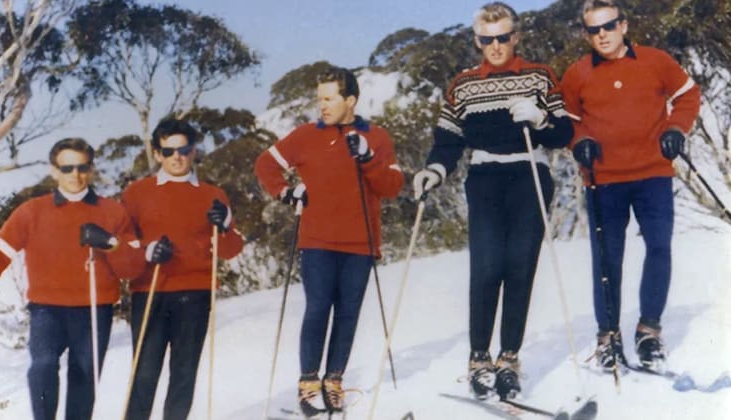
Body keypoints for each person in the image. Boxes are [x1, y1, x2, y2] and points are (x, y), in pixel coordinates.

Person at [412, 2, 573, 400]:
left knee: (520, 266)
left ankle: (509, 359)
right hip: (485, 176)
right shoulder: (463, 84)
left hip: (529, 173)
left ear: (515, 36)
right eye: (487, 40)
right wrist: (435, 170)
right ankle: (479, 359)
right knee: (486, 267)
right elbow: (448, 141)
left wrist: (540, 119)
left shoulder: (539, 76)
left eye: (503, 37)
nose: (496, 46)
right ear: (477, 41)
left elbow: (563, 133)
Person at [560, 0, 700, 374]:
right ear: (586, 34)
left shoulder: (655, 60)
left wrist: (675, 129)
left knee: (659, 247)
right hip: (603, 179)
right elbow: (567, 120)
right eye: (594, 30)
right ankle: (608, 337)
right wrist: (579, 140)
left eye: (608, 26)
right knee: (607, 259)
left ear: (623, 25)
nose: (602, 35)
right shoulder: (577, 74)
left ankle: (648, 331)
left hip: (653, 174)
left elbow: (688, 94)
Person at [254, 66, 403, 417]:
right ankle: (308, 383)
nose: (321, 105)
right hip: (317, 240)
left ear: (350, 99)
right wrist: (286, 192)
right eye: (319, 99)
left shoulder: (376, 137)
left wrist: (367, 159)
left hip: (360, 243)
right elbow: (265, 165)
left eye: (329, 98)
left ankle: (333, 381)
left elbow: (392, 187)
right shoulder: (305, 135)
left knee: (348, 312)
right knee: (318, 307)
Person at [0, 138, 144, 420]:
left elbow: (133, 268)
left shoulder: (112, 211)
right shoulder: (32, 211)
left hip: (94, 309)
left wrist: (111, 244)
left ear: (91, 169)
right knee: (42, 366)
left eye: (82, 167)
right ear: (54, 170)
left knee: (84, 377)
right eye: (67, 168)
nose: (75, 175)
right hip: (47, 309)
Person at [121, 118, 244, 420]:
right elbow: (123, 246)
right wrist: (147, 251)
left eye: (184, 150)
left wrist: (225, 224)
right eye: (168, 151)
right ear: (157, 153)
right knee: (144, 373)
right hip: (150, 291)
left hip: (195, 294)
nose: (176, 157)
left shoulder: (213, 195)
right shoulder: (137, 193)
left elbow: (231, 249)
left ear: (193, 151)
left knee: (184, 374)